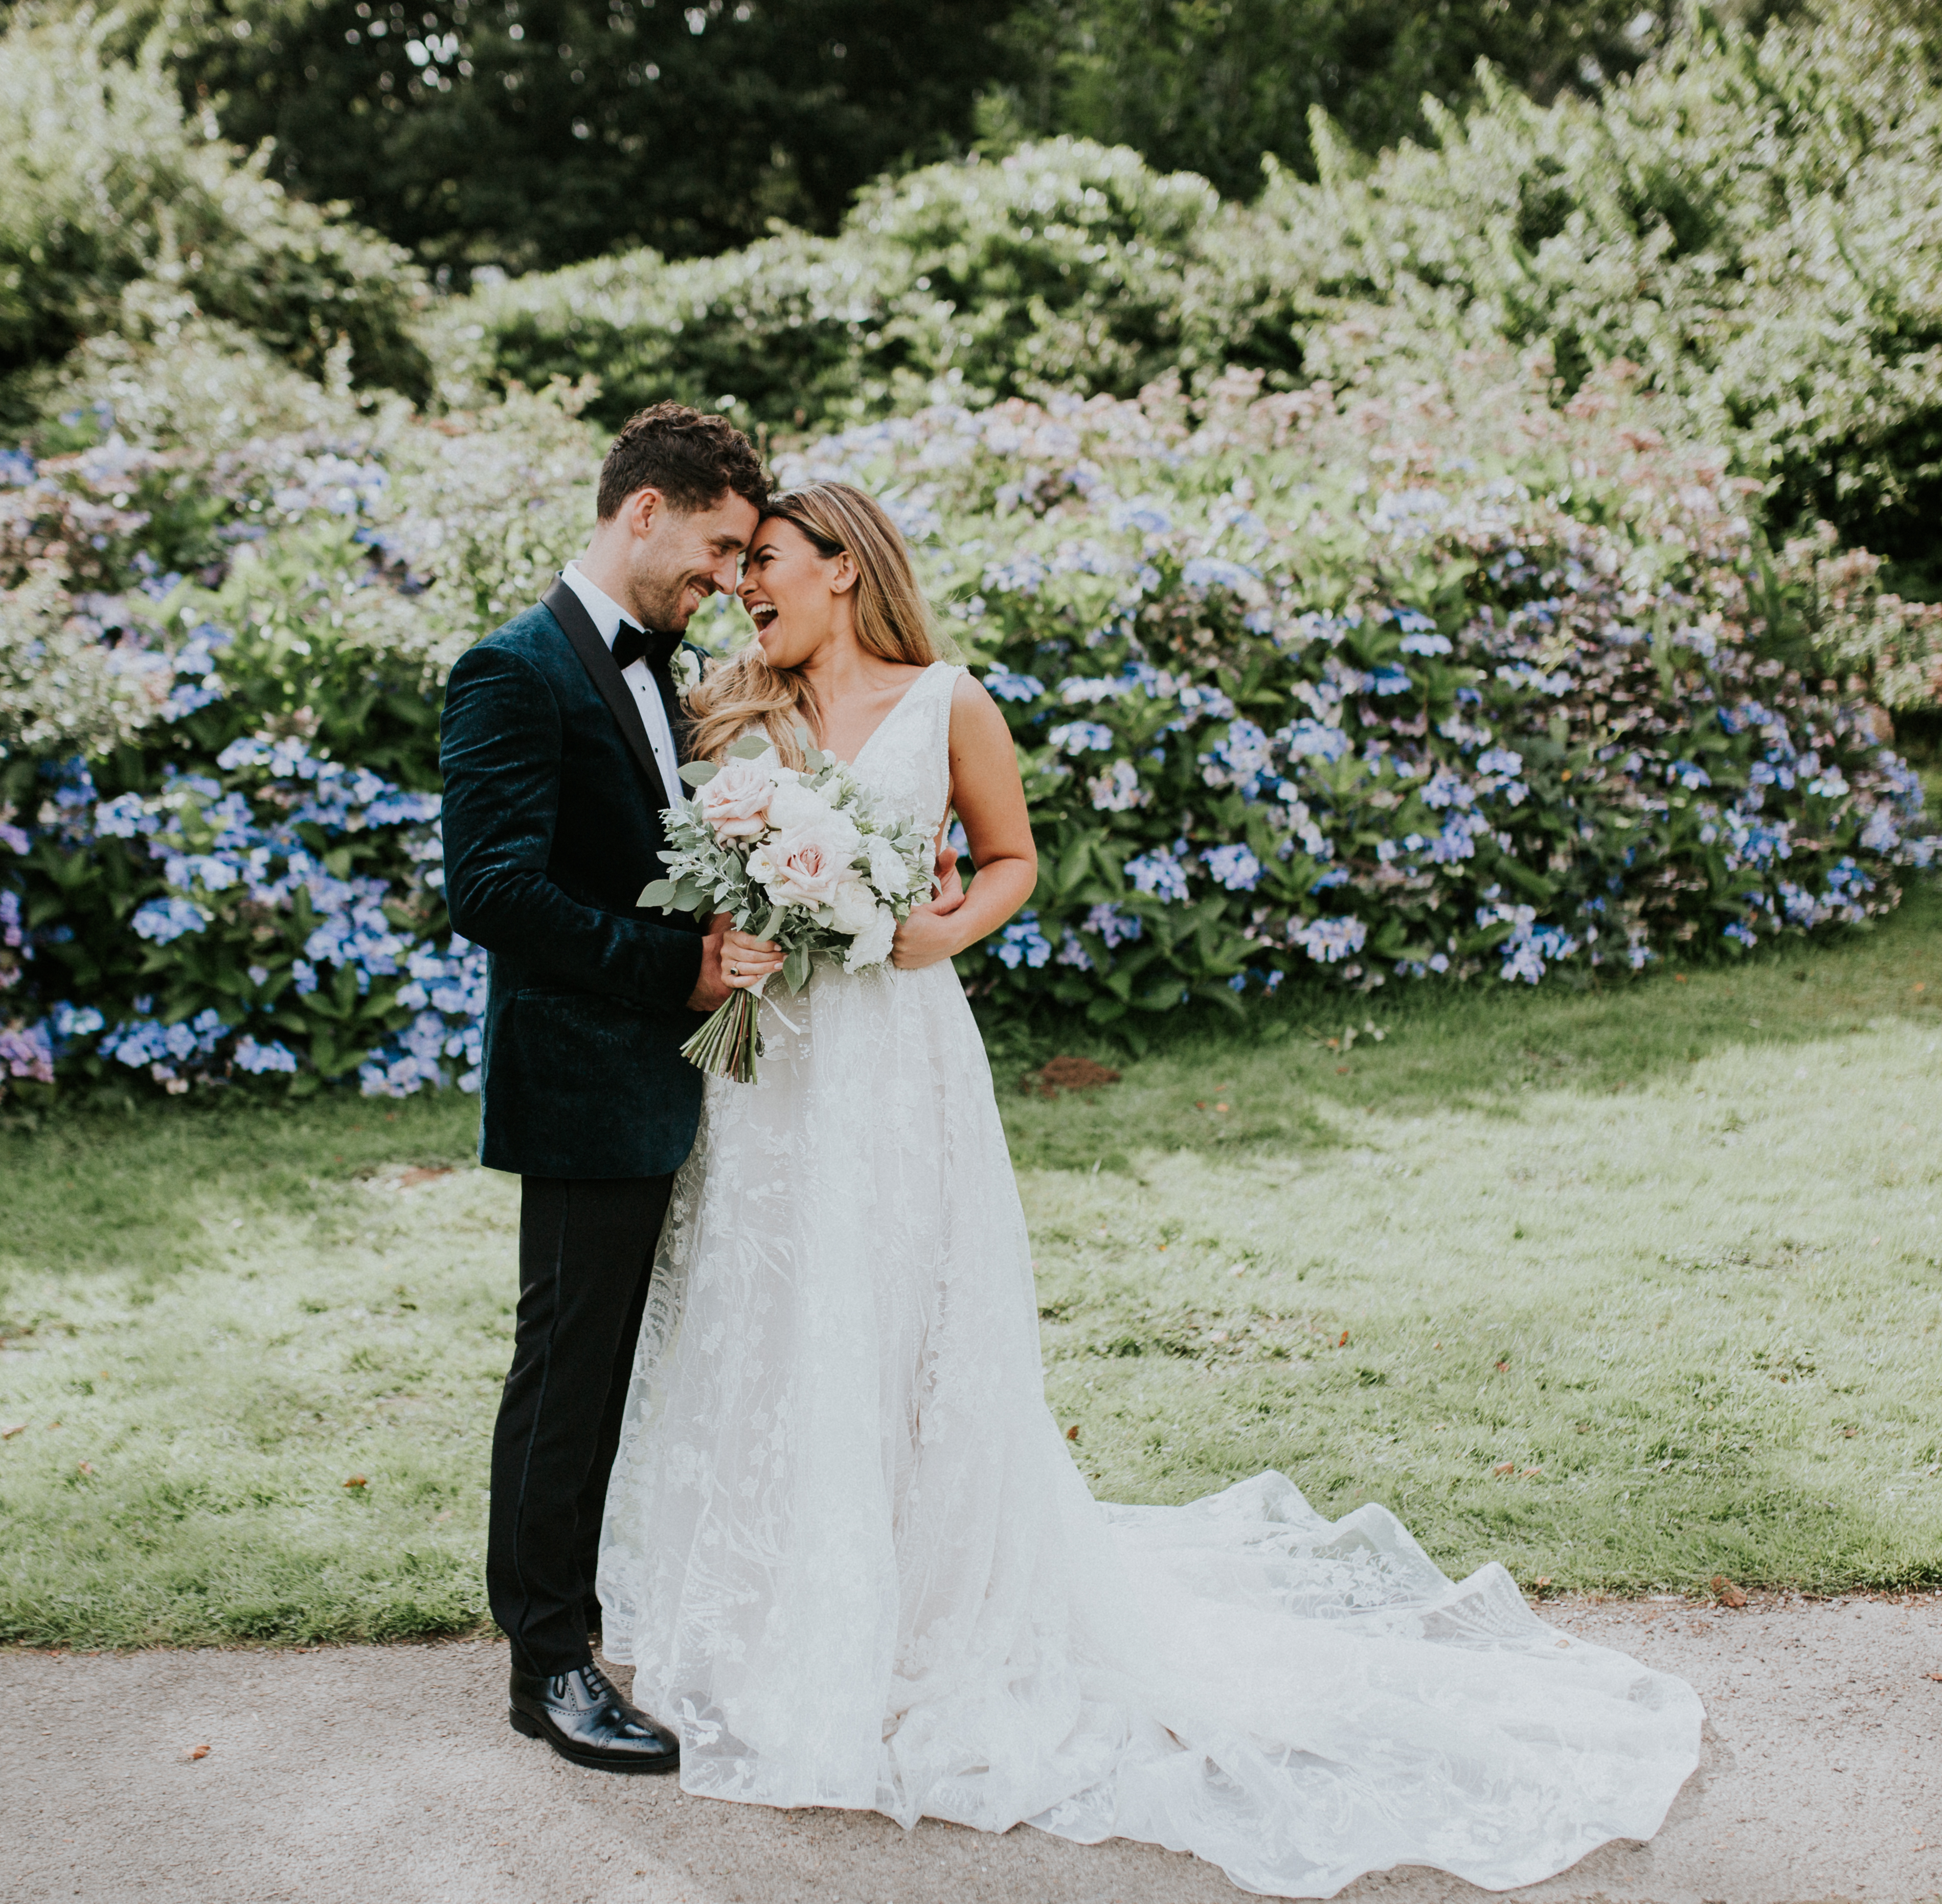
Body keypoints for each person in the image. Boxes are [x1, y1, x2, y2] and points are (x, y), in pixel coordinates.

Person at [593, 480, 1706, 1896]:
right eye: (740, 565)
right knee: (768, 1319)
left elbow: (1011, 862)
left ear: (846, 568)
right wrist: (739, 927)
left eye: (770, 562)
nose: (748, 586)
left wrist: (936, 932)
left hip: (899, 1057)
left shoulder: (948, 701)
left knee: (903, 1313)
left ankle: (916, 1604)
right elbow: (697, 876)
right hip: (776, 1070)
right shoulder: (732, 711)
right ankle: (770, 1611)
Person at [437, 401, 769, 1775]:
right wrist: (673, 969)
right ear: (643, 509)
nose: (731, 575)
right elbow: (492, 890)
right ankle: (548, 1661)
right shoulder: (513, 667)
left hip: (666, 1078)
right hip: (582, 1074)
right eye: (717, 543)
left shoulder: (661, 665)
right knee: (568, 1368)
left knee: (614, 1361)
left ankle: (588, 1620)